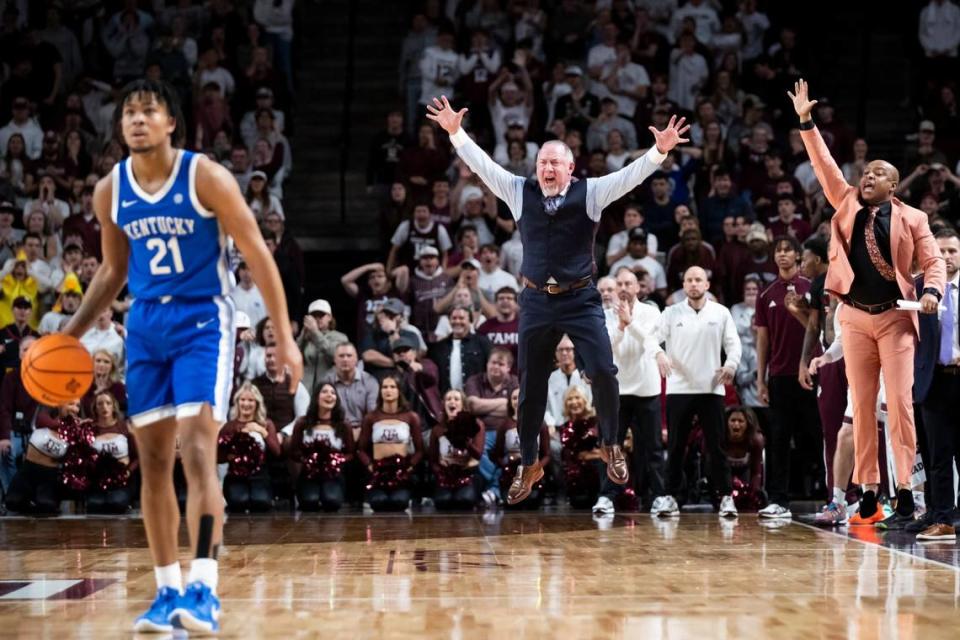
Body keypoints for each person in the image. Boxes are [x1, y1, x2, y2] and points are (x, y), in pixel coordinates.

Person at [61, 80, 302, 634]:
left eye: (149, 111)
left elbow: (257, 254)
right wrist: (69, 335)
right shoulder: (110, 191)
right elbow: (112, 272)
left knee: (197, 447)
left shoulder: (205, 177)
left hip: (202, 321)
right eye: (129, 113)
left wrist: (284, 335)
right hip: (145, 325)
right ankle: (167, 591)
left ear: (172, 123)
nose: (137, 120)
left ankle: (204, 588)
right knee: (151, 463)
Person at [426, 94, 689, 504]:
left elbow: (630, 176)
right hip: (535, 301)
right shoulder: (518, 191)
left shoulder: (592, 192)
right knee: (530, 387)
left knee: (603, 370)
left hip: (580, 298)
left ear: (570, 168)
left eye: (555, 163)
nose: (547, 168)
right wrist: (456, 133)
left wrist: (659, 151)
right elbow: (484, 166)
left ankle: (610, 444)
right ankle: (529, 463)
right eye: (542, 162)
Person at [791, 79, 944, 527]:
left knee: (898, 405)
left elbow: (933, 260)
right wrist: (806, 121)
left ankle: (907, 494)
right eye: (867, 171)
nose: (868, 176)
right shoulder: (845, 202)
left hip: (896, 319)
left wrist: (932, 291)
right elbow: (823, 164)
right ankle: (869, 494)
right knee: (859, 409)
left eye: (878, 172)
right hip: (855, 318)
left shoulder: (913, 217)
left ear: (893, 184)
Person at [653, 267, 741, 518]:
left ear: (707, 284)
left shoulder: (721, 312)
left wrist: (731, 365)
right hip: (678, 388)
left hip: (711, 388)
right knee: (677, 446)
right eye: (689, 280)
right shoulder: (670, 313)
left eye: (698, 280)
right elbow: (651, 339)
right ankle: (670, 497)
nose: (693, 284)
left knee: (716, 447)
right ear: (683, 284)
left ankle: (725, 498)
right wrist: (659, 353)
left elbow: (733, 344)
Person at [754, 236, 820, 519]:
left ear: (797, 255)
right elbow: (763, 340)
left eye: (787, 250)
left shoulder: (812, 288)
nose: (782, 255)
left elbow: (817, 329)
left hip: (813, 372)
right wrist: (761, 378)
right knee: (778, 440)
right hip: (780, 375)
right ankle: (778, 500)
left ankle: (835, 495)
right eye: (778, 251)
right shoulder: (766, 294)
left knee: (818, 436)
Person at [594, 267, 665, 516]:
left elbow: (651, 343)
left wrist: (630, 323)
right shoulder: (603, 315)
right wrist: (622, 327)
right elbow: (605, 348)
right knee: (611, 447)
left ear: (637, 288)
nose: (623, 288)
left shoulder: (651, 312)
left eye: (628, 284)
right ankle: (606, 497)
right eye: (619, 284)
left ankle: (658, 497)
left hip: (647, 388)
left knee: (653, 447)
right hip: (617, 392)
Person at [912, 228, 960, 540]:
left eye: (952, 251)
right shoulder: (918, 288)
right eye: (939, 251)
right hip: (934, 380)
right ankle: (942, 519)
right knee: (938, 456)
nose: (946, 257)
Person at [356, 374, 424, 512]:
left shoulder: (411, 417)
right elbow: (360, 450)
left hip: (401, 472)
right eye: (385, 387)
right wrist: (369, 465)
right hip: (378, 472)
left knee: (398, 502)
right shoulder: (371, 417)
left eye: (392, 387)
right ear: (380, 391)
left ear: (399, 391)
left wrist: (409, 467)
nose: (388, 390)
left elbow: (420, 450)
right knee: (379, 503)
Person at [288, 382, 354, 512]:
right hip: (309, 474)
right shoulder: (302, 423)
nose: (329, 395)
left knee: (331, 501)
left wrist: (336, 461)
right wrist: (307, 460)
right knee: (309, 502)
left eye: (333, 393)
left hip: (333, 475)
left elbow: (351, 453)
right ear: (316, 397)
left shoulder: (343, 424)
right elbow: (294, 451)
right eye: (324, 392)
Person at [218, 383, 281, 513]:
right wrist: (229, 456)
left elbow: (277, 452)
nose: (246, 404)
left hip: (259, 475)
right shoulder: (229, 426)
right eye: (243, 399)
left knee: (260, 503)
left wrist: (263, 432)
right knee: (239, 503)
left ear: (257, 403)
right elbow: (217, 457)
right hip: (236, 476)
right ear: (237, 402)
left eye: (251, 400)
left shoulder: (266, 424)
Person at [429, 389, 484, 510]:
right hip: (446, 474)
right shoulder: (437, 429)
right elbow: (432, 461)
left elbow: (478, 455)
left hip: (467, 473)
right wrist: (441, 472)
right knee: (443, 501)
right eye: (448, 399)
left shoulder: (476, 424)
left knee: (464, 500)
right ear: (443, 405)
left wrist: (465, 441)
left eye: (456, 399)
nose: (452, 402)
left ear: (463, 405)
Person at [85, 391, 138, 514]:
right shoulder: (89, 429)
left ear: (114, 406)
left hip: (121, 481)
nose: (104, 407)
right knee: (95, 505)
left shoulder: (124, 427)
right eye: (100, 404)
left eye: (108, 403)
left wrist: (128, 471)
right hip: (97, 482)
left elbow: (137, 457)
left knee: (116, 503)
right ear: (95, 408)